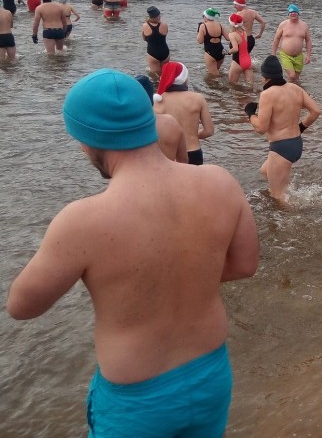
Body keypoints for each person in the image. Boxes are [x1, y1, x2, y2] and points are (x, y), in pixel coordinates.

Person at [6, 69, 258, 437]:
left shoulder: (82, 220)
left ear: (86, 140)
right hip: (210, 377)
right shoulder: (219, 181)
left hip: (135, 402)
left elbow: (22, 306)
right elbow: (244, 265)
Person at [245, 55, 321, 205]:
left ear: (265, 77)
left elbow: (261, 128)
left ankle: (296, 221)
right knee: (265, 171)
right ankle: (287, 191)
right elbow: (316, 111)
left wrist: (250, 114)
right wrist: (301, 127)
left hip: (281, 147)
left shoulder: (267, 94)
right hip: (296, 143)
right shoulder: (295, 88)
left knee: (277, 196)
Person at [153, 61, 214, 165]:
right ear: (184, 79)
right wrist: (192, 135)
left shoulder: (157, 101)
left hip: (168, 155)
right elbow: (209, 131)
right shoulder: (197, 98)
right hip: (193, 152)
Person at [135, 74, 189, 163]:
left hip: (138, 175)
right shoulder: (170, 122)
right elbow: (183, 160)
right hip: (168, 173)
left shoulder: (124, 126)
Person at [272, 3, 311, 84]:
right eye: (291, 13)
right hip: (285, 54)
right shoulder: (283, 24)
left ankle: (293, 92)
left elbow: (308, 40)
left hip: (299, 56)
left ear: (298, 14)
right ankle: (288, 90)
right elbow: (276, 39)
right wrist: (274, 54)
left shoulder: (304, 25)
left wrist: (308, 55)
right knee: (292, 76)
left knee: (296, 79)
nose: (293, 14)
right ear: (288, 14)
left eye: (295, 12)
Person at [197, 7, 228, 75]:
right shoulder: (220, 25)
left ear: (206, 17)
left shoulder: (203, 26)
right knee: (216, 72)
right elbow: (228, 38)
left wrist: (198, 30)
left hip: (210, 52)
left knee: (214, 76)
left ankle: (221, 85)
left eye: (203, 16)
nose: (203, 18)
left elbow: (200, 41)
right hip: (221, 52)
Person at [226, 13, 254, 86]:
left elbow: (235, 49)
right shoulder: (244, 32)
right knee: (250, 86)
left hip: (237, 62)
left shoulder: (232, 34)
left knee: (232, 85)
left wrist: (227, 52)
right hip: (248, 61)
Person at [142, 5, 170, 75]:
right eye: (159, 15)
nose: (160, 17)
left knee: (156, 78)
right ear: (157, 16)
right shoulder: (164, 25)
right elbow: (165, 34)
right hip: (165, 52)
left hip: (153, 53)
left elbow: (144, 38)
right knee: (165, 75)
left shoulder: (145, 25)